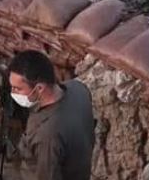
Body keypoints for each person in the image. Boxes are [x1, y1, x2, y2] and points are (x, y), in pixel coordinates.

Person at [9, 50, 95, 180]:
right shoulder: (78, 89)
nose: (12, 92)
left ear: (39, 88)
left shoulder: (48, 135)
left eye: (17, 88)